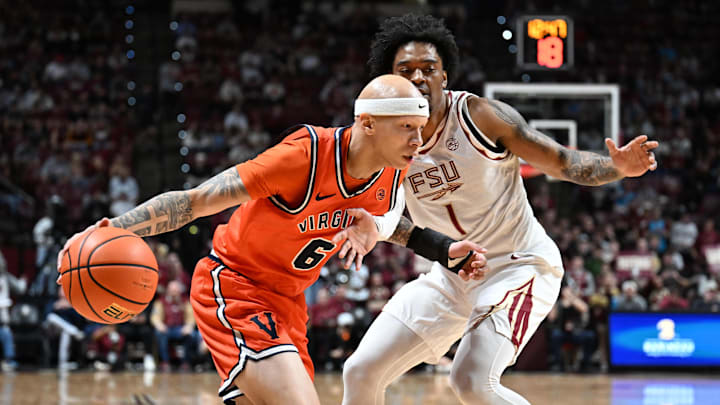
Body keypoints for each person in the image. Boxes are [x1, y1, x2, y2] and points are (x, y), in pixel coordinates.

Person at [58, 74, 486, 405]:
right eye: (406, 127)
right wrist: (116, 227)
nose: (418, 139)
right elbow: (196, 201)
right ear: (367, 123)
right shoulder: (303, 157)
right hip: (236, 286)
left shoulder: (393, 171)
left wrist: (441, 250)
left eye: (420, 127)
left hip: (289, 305)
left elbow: (389, 224)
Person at [339, 14, 659, 405]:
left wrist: (617, 168)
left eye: (429, 69)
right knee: (360, 372)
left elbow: (562, 162)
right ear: (390, 82)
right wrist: (379, 228)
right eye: (406, 71)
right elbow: (390, 219)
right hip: (450, 273)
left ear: (445, 77)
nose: (419, 77)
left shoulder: (481, 118)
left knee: (472, 380)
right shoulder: (381, 141)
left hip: (518, 265)